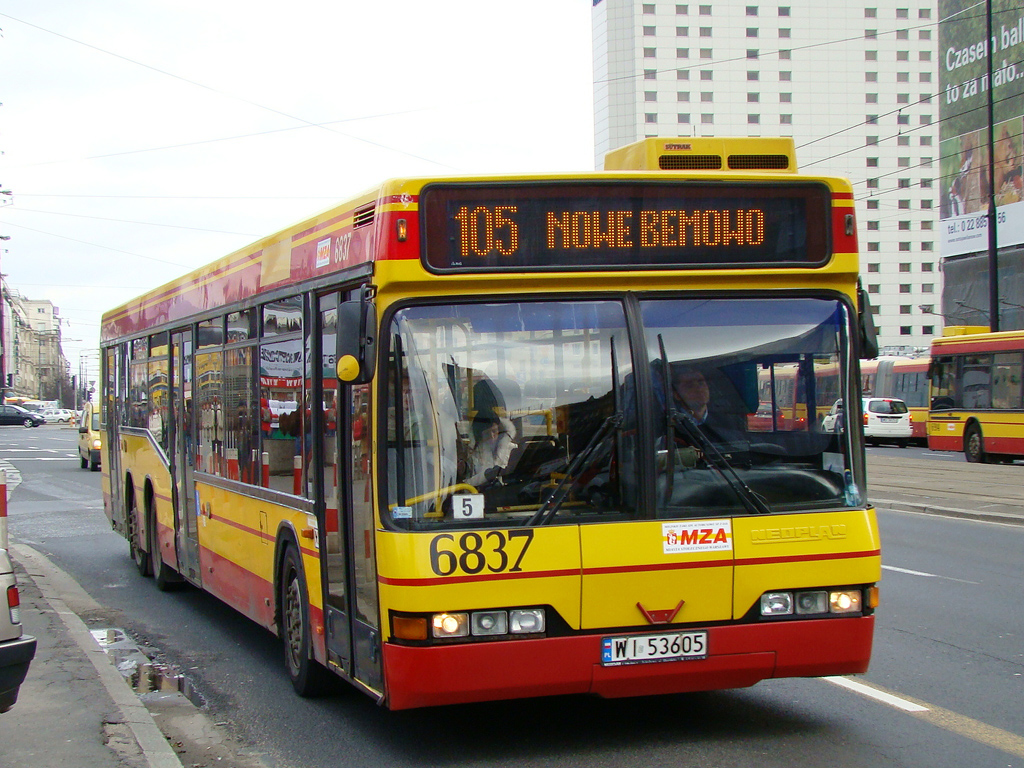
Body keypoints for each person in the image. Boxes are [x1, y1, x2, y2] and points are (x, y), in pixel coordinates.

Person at [465, 414, 516, 488]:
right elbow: (466, 484)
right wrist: (486, 475)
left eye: (494, 431)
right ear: (480, 434)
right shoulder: (473, 454)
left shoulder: (511, 449)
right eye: (487, 433)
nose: (492, 436)